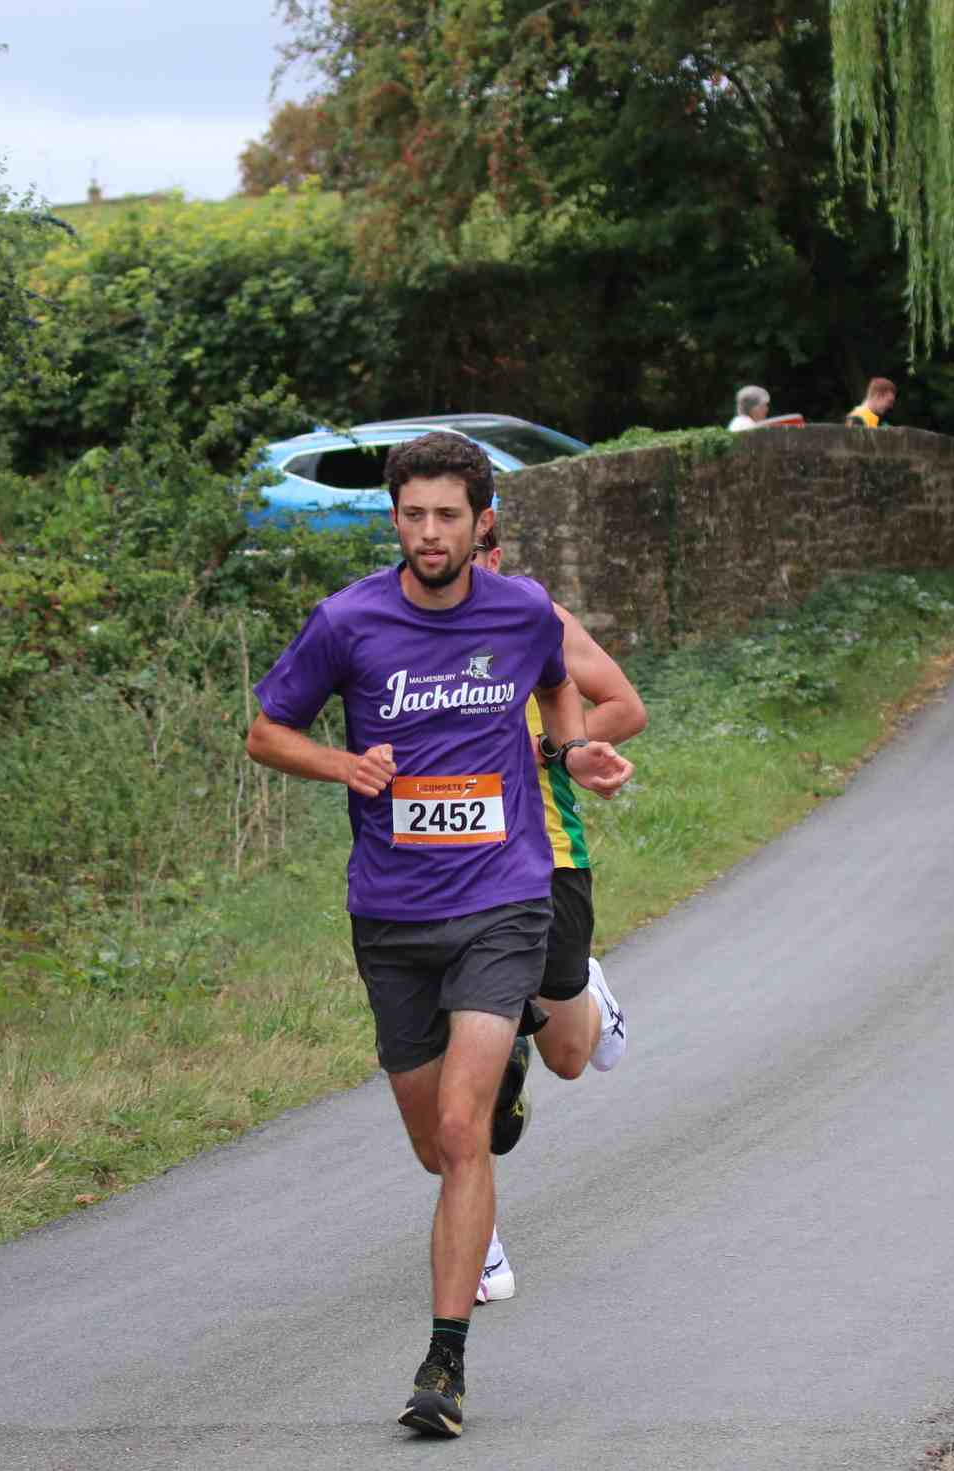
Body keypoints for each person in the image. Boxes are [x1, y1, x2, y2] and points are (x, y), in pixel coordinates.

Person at [244, 432, 633, 1438]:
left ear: (480, 520)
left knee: (464, 1134)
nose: (429, 532)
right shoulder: (347, 621)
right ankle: (494, 1083)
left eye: (447, 516)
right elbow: (266, 729)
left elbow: (557, 679)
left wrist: (572, 748)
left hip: (504, 896)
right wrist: (345, 767)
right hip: (391, 914)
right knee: (436, 1144)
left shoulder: (520, 608)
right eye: (412, 514)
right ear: (395, 518)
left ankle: (444, 1365)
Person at [468, 523, 643, 1304]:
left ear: (493, 556)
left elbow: (623, 706)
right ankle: (479, 1240)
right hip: (448, 871)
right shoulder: (394, 631)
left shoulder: (536, 619)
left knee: (569, 1055)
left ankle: (589, 1001)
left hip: (547, 858)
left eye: (466, 547)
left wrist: (543, 752)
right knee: (469, 1054)